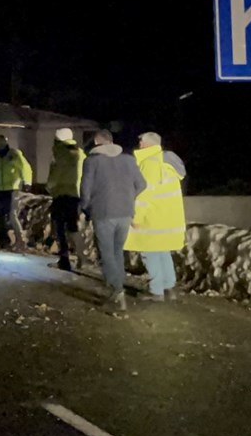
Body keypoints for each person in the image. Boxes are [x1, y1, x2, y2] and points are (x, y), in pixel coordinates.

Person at [79, 130, 146, 310]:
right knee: (117, 251)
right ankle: (117, 286)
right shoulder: (129, 160)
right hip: (125, 212)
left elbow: (85, 189)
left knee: (106, 253)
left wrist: (85, 207)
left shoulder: (92, 161)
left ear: (96, 142)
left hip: (103, 212)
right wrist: (128, 198)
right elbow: (142, 184)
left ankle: (117, 291)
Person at [124, 132, 187, 302]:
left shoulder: (149, 164)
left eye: (141, 141)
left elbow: (144, 195)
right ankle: (169, 287)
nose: (139, 144)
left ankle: (156, 290)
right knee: (162, 252)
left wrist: (136, 218)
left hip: (152, 219)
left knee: (150, 253)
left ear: (149, 144)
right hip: (167, 218)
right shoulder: (166, 163)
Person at [46, 128, 87, 272]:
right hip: (75, 195)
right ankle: (82, 258)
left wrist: (50, 187)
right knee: (74, 227)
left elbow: (54, 177)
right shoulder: (80, 153)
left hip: (61, 194)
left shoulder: (60, 153)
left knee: (60, 228)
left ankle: (64, 260)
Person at [0, 134, 33, 250]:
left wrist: (27, 182)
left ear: (6, 142)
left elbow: (25, 168)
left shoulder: (14, 154)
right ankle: (3, 242)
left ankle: (20, 242)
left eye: (2, 143)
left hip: (12, 189)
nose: (0, 145)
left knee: (12, 215)